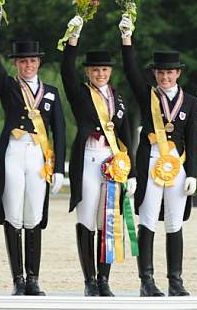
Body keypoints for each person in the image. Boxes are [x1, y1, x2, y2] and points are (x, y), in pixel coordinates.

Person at [0, 6, 66, 296]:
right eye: (23, 61)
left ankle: (33, 278)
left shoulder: (52, 93)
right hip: (14, 152)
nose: (28, 65)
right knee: (14, 214)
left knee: (33, 214)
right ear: (17, 64)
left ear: (38, 63)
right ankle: (18, 279)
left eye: (32, 61)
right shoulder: (9, 86)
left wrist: (59, 169)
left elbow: (60, 131)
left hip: (38, 156)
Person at [119, 14, 197, 296]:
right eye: (161, 73)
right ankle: (147, 281)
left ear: (178, 73)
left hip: (177, 165)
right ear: (155, 74)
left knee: (175, 223)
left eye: (170, 72)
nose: (165, 77)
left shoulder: (190, 102)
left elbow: (193, 138)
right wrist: (127, 38)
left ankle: (176, 281)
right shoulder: (148, 95)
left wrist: (192, 174)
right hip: (151, 162)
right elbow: (130, 72)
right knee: (149, 220)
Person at [60, 16, 136, 297]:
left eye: (104, 69)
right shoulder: (80, 93)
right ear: (88, 72)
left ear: (110, 72)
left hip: (114, 161)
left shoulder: (120, 99)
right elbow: (66, 69)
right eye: (95, 70)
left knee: (109, 220)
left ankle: (104, 280)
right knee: (87, 218)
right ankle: (89, 279)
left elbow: (127, 136)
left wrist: (134, 173)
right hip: (89, 158)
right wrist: (73, 38)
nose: (100, 73)